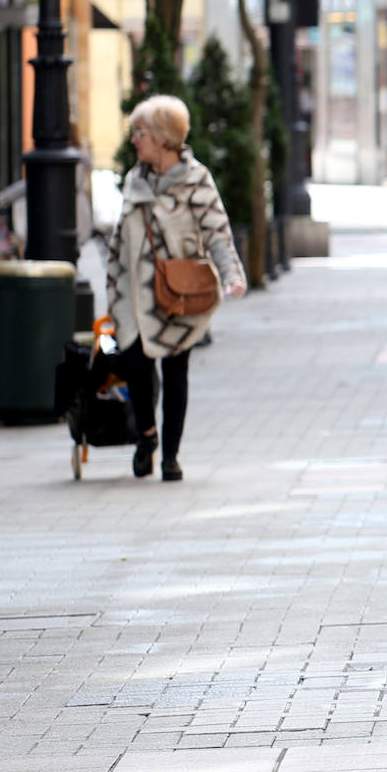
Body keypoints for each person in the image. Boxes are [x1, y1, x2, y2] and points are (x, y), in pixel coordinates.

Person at [107, 95, 246, 482]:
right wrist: (113, 284)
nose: (135, 140)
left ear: (165, 138)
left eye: (141, 133)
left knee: (176, 369)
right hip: (136, 295)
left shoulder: (196, 179)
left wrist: (231, 274)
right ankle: (146, 435)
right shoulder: (136, 181)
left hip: (179, 295)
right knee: (133, 361)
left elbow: (217, 232)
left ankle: (170, 455)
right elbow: (121, 239)